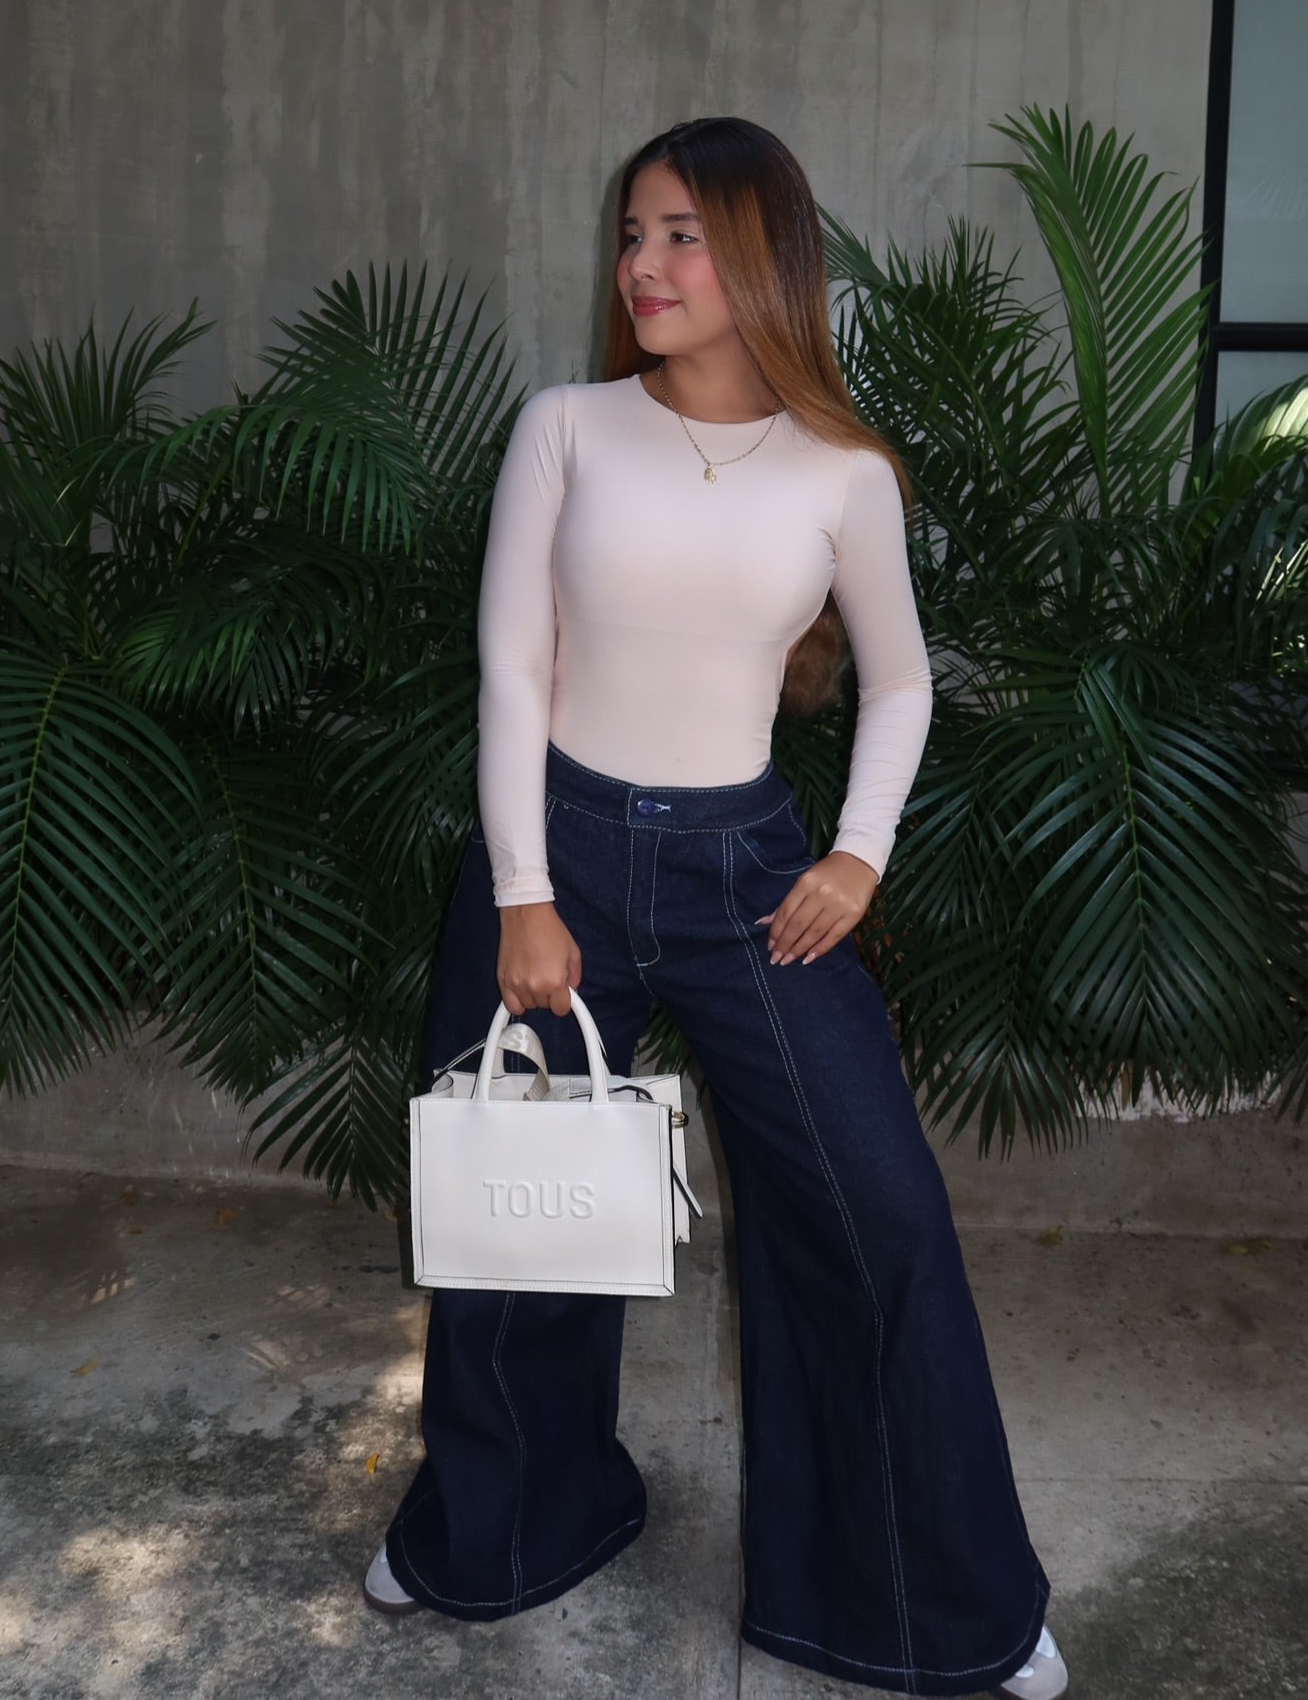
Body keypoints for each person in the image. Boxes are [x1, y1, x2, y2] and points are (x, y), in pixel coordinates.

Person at [362, 117, 1067, 1699]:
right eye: (633, 233)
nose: (644, 263)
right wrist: (525, 892)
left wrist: (859, 854)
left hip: (752, 874)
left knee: (878, 1212)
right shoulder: (566, 427)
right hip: (557, 849)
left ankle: (934, 1599)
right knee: (512, 1217)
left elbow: (899, 680)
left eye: (681, 233)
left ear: (762, 253)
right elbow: (511, 666)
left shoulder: (846, 473)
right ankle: (497, 1526)